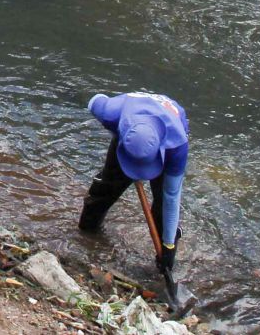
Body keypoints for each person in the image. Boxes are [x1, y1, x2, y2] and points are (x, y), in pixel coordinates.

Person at [78, 91, 189, 273]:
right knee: (105, 189)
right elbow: (93, 100)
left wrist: (168, 244)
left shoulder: (177, 146)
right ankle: (86, 234)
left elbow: (172, 196)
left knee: (163, 206)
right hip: (128, 132)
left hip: (166, 139)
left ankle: (164, 265)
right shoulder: (110, 112)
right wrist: (117, 130)